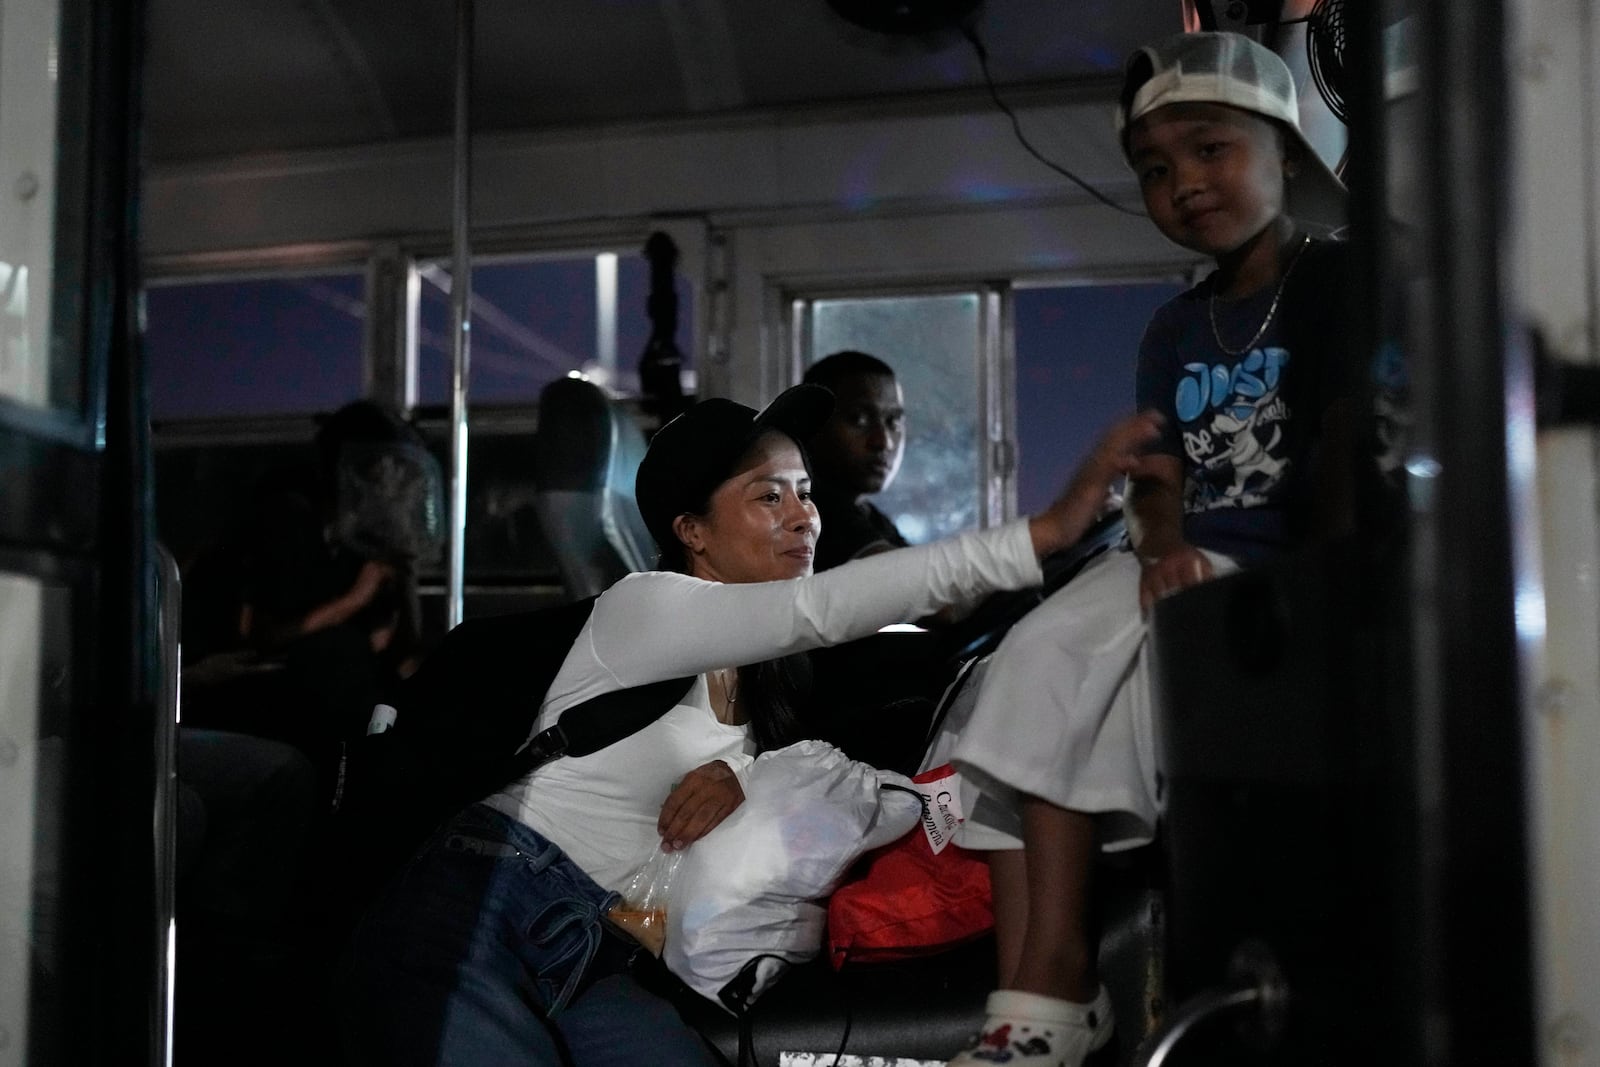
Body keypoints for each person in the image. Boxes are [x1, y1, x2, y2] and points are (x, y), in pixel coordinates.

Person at [337, 383, 1162, 1067]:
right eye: (768, 497)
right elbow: (822, 609)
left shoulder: (768, 686)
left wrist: (743, 774)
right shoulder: (643, 608)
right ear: (691, 532)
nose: (804, 516)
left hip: (599, 946)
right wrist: (1045, 531)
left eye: (806, 492)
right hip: (484, 899)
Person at [943, 31, 1351, 1067]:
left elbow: (1351, 463)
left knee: (1116, 666)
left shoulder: (1341, 285)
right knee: (1025, 660)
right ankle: (1031, 999)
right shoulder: (1174, 328)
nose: (1185, 184)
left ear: (1285, 150)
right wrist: (1160, 545)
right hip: (1182, 551)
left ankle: (1052, 984)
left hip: (1273, 562)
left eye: (1211, 150)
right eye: (1157, 170)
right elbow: (1158, 475)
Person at [802, 351, 910, 570]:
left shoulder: (870, 517)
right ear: (813, 425)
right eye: (859, 419)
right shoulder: (812, 515)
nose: (883, 442)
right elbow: (916, 584)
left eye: (893, 422)